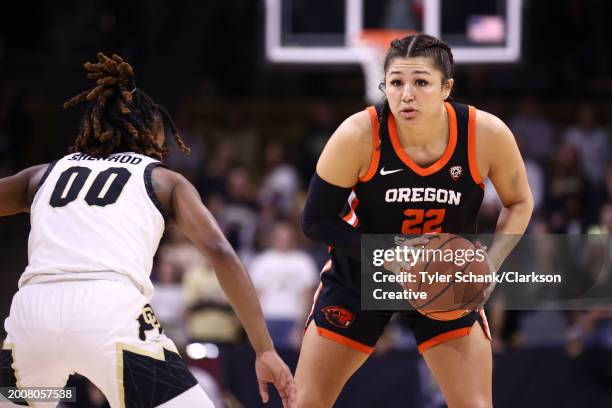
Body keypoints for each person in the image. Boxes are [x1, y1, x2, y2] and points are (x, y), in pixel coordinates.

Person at [0, 53, 296, 408]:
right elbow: (220, 251)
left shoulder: (43, 173)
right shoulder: (162, 179)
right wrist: (264, 349)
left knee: (26, 400)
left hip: (33, 317)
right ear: (151, 132)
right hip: (110, 314)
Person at [298, 35, 533, 407]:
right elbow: (315, 221)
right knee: (307, 402)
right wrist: (386, 253)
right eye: (395, 82)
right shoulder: (358, 134)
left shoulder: (484, 134)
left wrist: (490, 262)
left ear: (446, 88)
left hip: (444, 277)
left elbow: (519, 202)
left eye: (421, 82)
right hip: (363, 273)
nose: (406, 94)